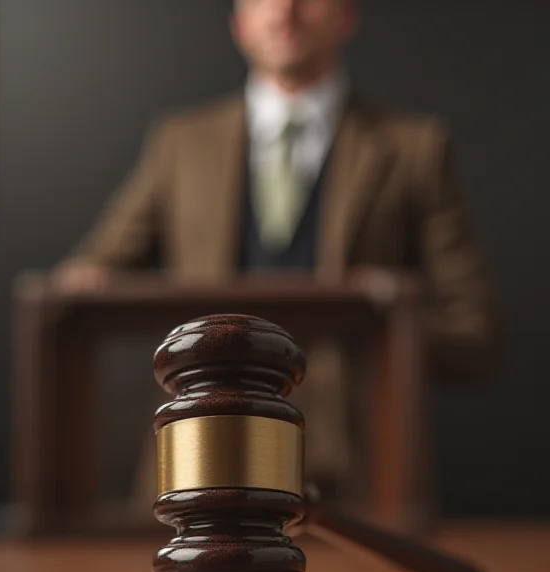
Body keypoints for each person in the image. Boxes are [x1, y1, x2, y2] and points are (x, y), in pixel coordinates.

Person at [55, 0, 501, 504]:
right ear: (238, 23)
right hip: (199, 460)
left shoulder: (415, 148)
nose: (284, 11)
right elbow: (87, 278)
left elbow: (475, 335)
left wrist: (386, 314)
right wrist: (84, 282)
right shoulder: (181, 144)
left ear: (346, 16)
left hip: (361, 480)